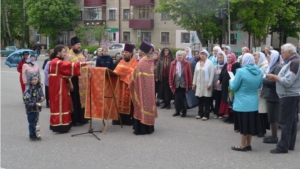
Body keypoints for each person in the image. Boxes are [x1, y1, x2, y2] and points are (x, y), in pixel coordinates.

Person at [48, 45, 93, 133]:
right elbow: (70, 66)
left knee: (61, 105)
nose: (65, 53)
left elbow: (63, 73)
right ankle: (60, 126)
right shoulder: (57, 62)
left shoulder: (54, 61)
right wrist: (85, 63)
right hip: (59, 88)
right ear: (58, 52)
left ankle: (61, 124)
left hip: (58, 86)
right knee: (61, 105)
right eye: (64, 51)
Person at [267, 43, 300, 154]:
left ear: (290, 52)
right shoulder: (294, 61)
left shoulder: (294, 62)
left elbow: (288, 81)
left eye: (283, 52)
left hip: (288, 95)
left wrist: (274, 77)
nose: (282, 54)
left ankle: (283, 146)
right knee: (292, 121)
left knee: (285, 121)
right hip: (291, 94)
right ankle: (289, 144)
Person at [230, 53, 263, 152]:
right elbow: (259, 86)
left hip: (242, 101)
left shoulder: (240, 71)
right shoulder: (259, 71)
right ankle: (248, 144)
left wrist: (231, 81)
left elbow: (234, 86)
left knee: (243, 124)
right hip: (253, 101)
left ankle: (242, 145)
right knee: (250, 123)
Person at [130, 40, 158, 135]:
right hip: (149, 90)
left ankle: (141, 128)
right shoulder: (150, 61)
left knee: (141, 104)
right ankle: (149, 127)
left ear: (142, 51)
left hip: (141, 88)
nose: (138, 51)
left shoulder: (142, 62)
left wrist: (130, 78)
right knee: (148, 105)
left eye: (139, 50)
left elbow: (134, 76)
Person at [113, 44, 138, 125]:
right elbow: (116, 71)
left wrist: (125, 77)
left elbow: (134, 74)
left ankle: (128, 120)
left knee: (129, 103)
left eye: (126, 52)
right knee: (118, 102)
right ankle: (118, 119)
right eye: (123, 52)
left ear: (131, 53)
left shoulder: (135, 62)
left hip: (129, 87)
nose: (123, 54)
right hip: (119, 87)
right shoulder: (121, 61)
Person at [260, 50, 282, 144]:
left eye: (268, 57)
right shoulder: (273, 66)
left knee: (273, 117)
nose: (267, 59)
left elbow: (275, 82)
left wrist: (263, 79)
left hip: (274, 96)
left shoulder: (277, 67)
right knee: (271, 117)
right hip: (270, 95)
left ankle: (274, 138)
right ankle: (273, 135)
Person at [69, 37, 89, 126]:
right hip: (74, 80)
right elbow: (67, 69)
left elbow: (86, 65)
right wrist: (69, 82)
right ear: (72, 45)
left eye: (80, 44)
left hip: (83, 81)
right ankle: (74, 119)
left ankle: (82, 118)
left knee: (82, 100)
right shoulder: (69, 55)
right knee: (75, 100)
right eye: (77, 45)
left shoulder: (81, 54)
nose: (79, 46)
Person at [217, 53, 240, 122]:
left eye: (230, 57)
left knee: (231, 100)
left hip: (232, 86)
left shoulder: (237, 65)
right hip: (225, 86)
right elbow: (222, 74)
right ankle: (229, 116)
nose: (228, 58)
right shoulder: (226, 65)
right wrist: (219, 80)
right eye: (227, 57)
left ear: (233, 57)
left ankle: (233, 117)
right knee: (227, 100)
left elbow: (238, 76)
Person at [192, 49, 214, 120]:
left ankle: (206, 114)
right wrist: (194, 83)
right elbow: (195, 74)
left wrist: (210, 84)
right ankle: (200, 113)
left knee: (206, 100)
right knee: (200, 99)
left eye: (203, 54)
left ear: (206, 55)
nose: (202, 56)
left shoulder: (210, 63)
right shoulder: (198, 63)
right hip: (199, 85)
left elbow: (212, 75)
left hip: (206, 84)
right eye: (201, 54)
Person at [169, 50, 192, 117]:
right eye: (178, 55)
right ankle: (177, 111)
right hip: (176, 83)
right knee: (176, 99)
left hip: (183, 83)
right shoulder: (173, 63)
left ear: (183, 56)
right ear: (176, 56)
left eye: (180, 55)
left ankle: (184, 111)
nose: (179, 57)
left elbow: (189, 74)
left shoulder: (187, 63)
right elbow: (170, 74)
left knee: (183, 98)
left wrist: (190, 83)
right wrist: (170, 84)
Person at [23, 73, 44, 141]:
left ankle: (37, 134)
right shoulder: (28, 90)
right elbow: (26, 101)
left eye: (35, 79)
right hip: (30, 109)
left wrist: (42, 97)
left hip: (37, 109)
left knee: (36, 122)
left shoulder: (38, 87)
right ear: (30, 80)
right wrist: (35, 104)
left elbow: (42, 94)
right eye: (32, 80)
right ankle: (32, 135)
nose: (34, 81)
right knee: (31, 123)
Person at [213, 51, 227, 119]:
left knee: (222, 100)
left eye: (221, 58)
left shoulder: (225, 66)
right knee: (217, 100)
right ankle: (216, 113)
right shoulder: (216, 67)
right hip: (217, 86)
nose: (219, 59)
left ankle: (221, 113)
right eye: (218, 58)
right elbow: (214, 76)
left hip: (223, 86)